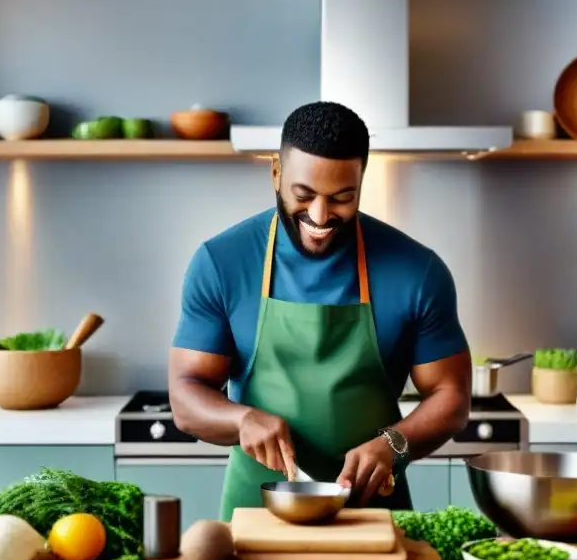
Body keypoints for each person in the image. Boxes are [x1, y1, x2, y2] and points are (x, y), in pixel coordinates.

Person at [169, 101, 472, 521]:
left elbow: (451, 397)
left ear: (361, 181)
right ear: (276, 174)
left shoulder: (417, 271)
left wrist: (394, 444)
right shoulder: (221, 262)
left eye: (342, 198)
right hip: (258, 511)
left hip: (374, 514)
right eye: (303, 195)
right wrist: (242, 420)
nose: (320, 215)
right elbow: (186, 395)